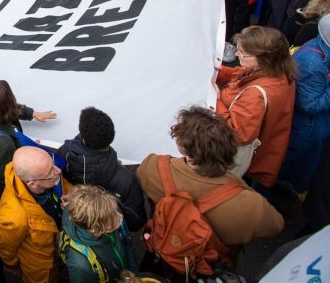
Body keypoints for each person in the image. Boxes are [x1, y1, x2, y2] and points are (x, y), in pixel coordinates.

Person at [137, 107, 283, 256]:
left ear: (183, 148)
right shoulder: (252, 206)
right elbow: (276, 225)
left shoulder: (152, 168)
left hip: (163, 247)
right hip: (212, 264)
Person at [215, 26, 296, 188]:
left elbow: (237, 133)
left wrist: (217, 99)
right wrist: (218, 71)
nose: (237, 55)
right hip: (270, 150)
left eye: (242, 52)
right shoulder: (280, 70)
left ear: (263, 58)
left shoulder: (255, 95)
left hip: (252, 165)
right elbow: (243, 75)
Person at [58, 107, 147, 231]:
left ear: (83, 136)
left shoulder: (64, 153)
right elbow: (136, 222)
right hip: (107, 232)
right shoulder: (125, 180)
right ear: (112, 135)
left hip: (73, 225)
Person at [0, 146, 70, 283]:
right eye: (51, 172)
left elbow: (65, 186)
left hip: (58, 251)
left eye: (52, 164)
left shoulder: (40, 172)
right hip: (41, 270)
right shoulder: (14, 218)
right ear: (33, 184)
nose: (58, 171)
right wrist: (12, 266)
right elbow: (6, 249)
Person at [280, 14, 330, 192]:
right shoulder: (312, 63)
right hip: (306, 129)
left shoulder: (322, 52)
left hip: (318, 126)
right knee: (297, 170)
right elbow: (308, 105)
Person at [60, 184, 137, 283]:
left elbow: (127, 242)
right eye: (112, 220)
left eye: (116, 211)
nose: (120, 216)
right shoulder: (81, 265)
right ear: (96, 230)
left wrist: (135, 273)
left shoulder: (108, 210)